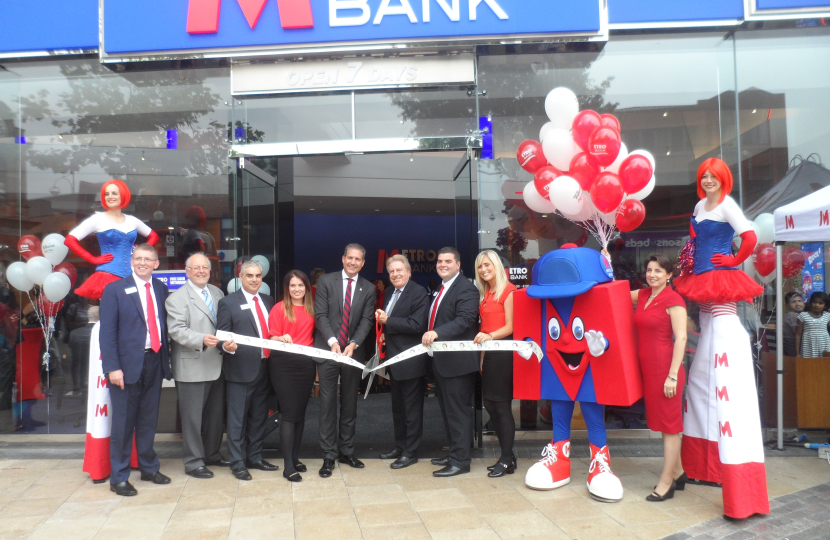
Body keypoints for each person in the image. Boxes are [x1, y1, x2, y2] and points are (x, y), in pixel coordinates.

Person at [672, 157, 769, 520]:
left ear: (723, 178)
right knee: (700, 381)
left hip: (721, 282)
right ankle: (703, 466)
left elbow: (751, 237)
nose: (709, 180)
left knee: (722, 378)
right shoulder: (700, 205)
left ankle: (737, 483)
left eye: (714, 176)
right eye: (704, 176)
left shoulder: (728, 203)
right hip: (704, 287)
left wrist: (734, 262)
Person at [99, 244, 172, 496]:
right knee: (123, 423)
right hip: (125, 367)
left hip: (154, 361)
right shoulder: (115, 290)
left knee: (148, 420)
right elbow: (106, 333)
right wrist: (113, 368)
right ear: (132, 261)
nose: (142, 263)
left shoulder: (161, 289)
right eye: (138, 258)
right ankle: (119, 477)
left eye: (147, 259)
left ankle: (149, 467)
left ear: (156, 263)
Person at [165, 253, 230, 479]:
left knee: (215, 415)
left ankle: (212, 453)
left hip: (217, 363)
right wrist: (201, 339)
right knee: (193, 418)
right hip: (192, 365)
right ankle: (193, 462)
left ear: (210, 271)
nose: (201, 271)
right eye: (196, 268)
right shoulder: (176, 298)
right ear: (187, 271)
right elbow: (176, 330)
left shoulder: (217, 293)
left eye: (205, 268)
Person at [313, 244, 375, 478]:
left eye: (357, 259)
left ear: (362, 263)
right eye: (350, 258)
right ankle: (329, 455)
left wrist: (353, 344)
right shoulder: (326, 282)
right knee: (327, 404)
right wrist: (332, 341)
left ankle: (346, 451)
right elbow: (320, 315)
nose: (353, 262)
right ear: (343, 259)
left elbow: (367, 321)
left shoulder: (367, 288)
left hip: (352, 353)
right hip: (329, 351)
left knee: (350, 403)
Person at [631, 254, 688, 502]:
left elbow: (682, 339)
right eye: (649, 269)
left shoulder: (674, 300)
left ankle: (667, 483)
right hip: (649, 371)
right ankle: (679, 471)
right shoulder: (643, 295)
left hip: (667, 371)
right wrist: (605, 262)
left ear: (669, 275)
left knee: (670, 428)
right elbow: (613, 292)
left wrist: (672, 376)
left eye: (658, 271)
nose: (652, 274)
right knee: (662, 423)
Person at [216, 259, 278, 481]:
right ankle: (237, 462)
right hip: (240, 371)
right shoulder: (228, 303)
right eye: (249, 275)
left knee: (259, 417)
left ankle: (255, 457)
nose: (254, 280)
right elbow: (221, 335)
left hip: (264, 368)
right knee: (237, 420)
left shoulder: (269, 301)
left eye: (258, 276)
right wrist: (226, 346)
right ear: (240, 277)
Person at [423, 247, 480, 477]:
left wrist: (436, 332)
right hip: (443, 363)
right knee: (448, 412)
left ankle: (460, 462)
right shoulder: (442, 287)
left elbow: (465, 320)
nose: (442, 264)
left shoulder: (466, 288)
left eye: (448, 261)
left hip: (458, 364)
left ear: (458, 265)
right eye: (439, 261)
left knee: (458, 412)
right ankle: (455, 451)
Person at [375, 254, 429, 469]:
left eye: (399, 270)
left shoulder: (418, 292)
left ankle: (410, 452)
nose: (395, 274)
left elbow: (417, 324)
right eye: (391, 272)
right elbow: (391, 323)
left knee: (412, 409)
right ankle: (400, 446)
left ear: (408, 272)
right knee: (398, 408)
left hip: (411, 361)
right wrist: (384, 331)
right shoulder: (389, 292)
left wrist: (388, 321)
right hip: (394, 361)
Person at [65, 181, 159, 300]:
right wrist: (92, 259)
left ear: (123, 195)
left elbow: (154, 236)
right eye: (106, 194)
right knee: (112, 313)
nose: (110, 197)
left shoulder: (132, 220)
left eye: (114, 193)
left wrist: (139, 252)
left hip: (133, 275)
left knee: (133, 313)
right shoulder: (97, 219)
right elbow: (69, 240)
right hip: (108, 274)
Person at [268, 270, 317, 482]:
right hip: (283, 364)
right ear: (287, 288)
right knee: (288, 413)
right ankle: (288, 466)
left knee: (300, 413)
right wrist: (280, 337)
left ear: (306, 287)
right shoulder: (279, 308)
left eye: (301, 285)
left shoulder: (312, 309)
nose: (297, 289)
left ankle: (295, 458)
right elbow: (271, 336)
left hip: (305, 364)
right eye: (292, 285)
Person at [473, 250, 517, 478]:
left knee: (501, 406)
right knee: (490, 406)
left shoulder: (508, 290)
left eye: (487, 265)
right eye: (480, 266)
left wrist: (489, 337)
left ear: (496, 265)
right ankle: (507, 455)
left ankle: (507, 458)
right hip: (488, 354)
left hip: (503, 353)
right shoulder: (486, 292)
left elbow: (511, 326)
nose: (484, 270)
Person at [795, 292, 830, 358]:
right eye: (814, 302)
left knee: (824, 365)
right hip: (808, 346)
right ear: (811, 303)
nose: (817, 305)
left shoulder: (827, 315)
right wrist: (797, 353)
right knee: (809, 366)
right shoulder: (803, 316)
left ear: (825, 305)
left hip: (824, 345)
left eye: (820, 303)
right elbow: (798, 335)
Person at [782, 292, 803, 357]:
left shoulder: (793, 315)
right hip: (794, 353)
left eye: (799, 301)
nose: (797, 304)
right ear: (787, 305)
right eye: (793, 302)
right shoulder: (793, 315)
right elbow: (802, 334)